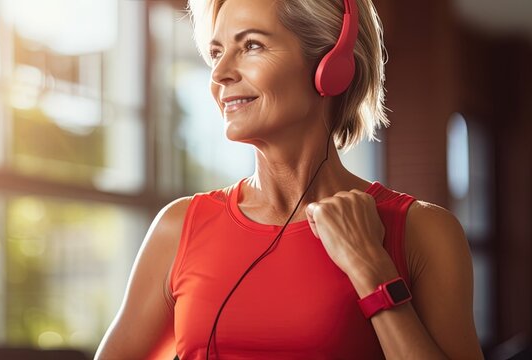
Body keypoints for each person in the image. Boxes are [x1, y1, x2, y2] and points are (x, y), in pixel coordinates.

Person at [94, 0, 483, 358]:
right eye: (216, 52)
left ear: (331, 65)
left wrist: (370, 268)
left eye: (251, 46)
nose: (220, 73)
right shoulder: (178, 228)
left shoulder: (422, 230)